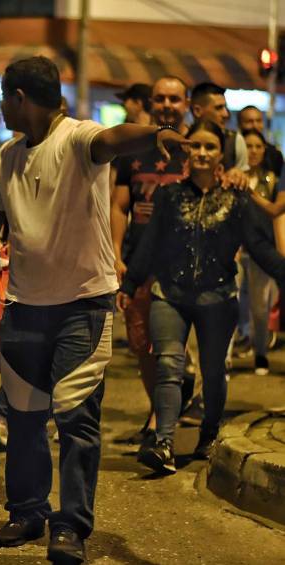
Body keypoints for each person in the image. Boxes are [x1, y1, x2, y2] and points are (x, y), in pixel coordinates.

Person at [0, 56, 187, 563]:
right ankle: (27, 511)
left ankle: (70, 526)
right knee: (23, 419)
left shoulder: (77, 138)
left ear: (20, 97)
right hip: (24, 308)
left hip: (82, 308)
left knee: (75, 421)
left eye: (3, 97)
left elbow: (113, 139)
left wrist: (156, 133)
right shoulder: (6, 157)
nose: (0, 107)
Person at [119, 120, 285, 476]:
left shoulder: (236, 199)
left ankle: (208, 434)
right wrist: (130, 284)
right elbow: (150, 243)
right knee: (168, 365)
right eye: (196, 146)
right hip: (170, 293)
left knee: (213, 373)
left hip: (217, 297)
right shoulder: (168, 195)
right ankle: (163, 442)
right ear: (186, 151)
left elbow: (257, 246)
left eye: (210, 147)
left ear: (221, 155)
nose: (202, 153)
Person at [111, 76, 191, 447]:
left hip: (185, 267)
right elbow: (118, 205)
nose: (166, 105)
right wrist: (115, 252)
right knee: (141, 344)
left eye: (174, 99)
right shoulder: (134, 150)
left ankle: (164, 417)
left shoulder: (196, 149)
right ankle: (158, 408)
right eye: (160, 98)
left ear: (186, 103)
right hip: (138, 264)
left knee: (173, 347)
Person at [239, 128, 279, 375]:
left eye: (257, 146)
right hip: (234, 251)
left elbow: (276, 215)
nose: (253, 151)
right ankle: (225, 359)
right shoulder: (233, 177)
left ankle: (260, 353)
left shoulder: (271, 180)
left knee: (260, 306)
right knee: (231, 303)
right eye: (248, 146)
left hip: (262, 251)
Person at [190, 81, 248, 172]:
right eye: (218, 108)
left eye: (225, 107)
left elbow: (244, 178)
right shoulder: (183, 138)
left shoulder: (234, 140)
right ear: (197, 111)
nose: (225, 114)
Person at [238, 105, 284, 176]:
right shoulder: (231, 149)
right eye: (249, 121)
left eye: (258, 121)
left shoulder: (274, 154)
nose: (255, 125)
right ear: (239, 124)